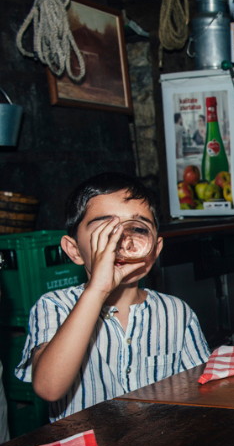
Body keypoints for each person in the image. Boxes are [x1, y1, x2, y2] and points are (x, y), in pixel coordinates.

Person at [15, 172, 211, 421]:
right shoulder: (54, 306)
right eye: (106, 230)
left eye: (138, 228)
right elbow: (49, 388)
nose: (122, 240)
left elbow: (203, 387)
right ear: (74, 251)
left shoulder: (176, 312)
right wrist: (97, 289)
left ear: (155, 249)